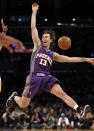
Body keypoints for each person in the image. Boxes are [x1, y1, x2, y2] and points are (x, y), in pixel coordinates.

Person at [6, 3, 94, 119]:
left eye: (46, 37)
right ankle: (14, 97)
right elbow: (33, 27)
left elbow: (69, 59)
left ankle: (78, 109)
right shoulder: (37, 46)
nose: (43, 38)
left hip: (47, 77)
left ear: (51, 40)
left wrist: (87, 59)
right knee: (23, 104)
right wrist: (34, 12)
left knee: (62, 93)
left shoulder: (53, 54)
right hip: (34, 77)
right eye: (43, 37)